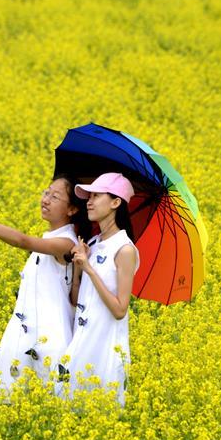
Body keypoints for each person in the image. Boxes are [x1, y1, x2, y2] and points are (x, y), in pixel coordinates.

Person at [0, 175, 90, 396]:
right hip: (26, 330)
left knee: (46, 401)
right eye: (46, 192)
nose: (45, 199)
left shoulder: (67, 242)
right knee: (10, 400)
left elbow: (22, 241)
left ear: (72, 209)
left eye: (55, 197)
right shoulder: (53, 237)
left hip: (49, 337)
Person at [58, 172, 140, 407]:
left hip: (103, 348)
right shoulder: (92, 244)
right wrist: (78, 268)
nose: (89, 202)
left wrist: (90, 269)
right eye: (88, 196)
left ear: (115, 203)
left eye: (96, 196)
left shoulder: (124, 250)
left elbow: (120, 310)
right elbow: (75, 299)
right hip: (80, 342)